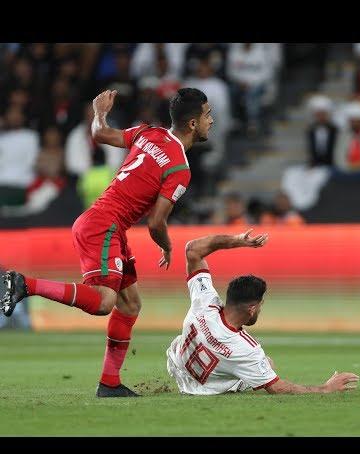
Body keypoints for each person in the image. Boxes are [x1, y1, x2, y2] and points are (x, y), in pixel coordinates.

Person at [2, 87, 213, 397]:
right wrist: (166, 245)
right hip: (104, 226)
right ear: (193, 123)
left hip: (106, 224)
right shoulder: (180, 169)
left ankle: (109, 384)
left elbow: (100, 133)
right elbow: (156, 222)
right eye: (208, 115)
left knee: (130, 304)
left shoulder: (149, 133)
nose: (212, 121)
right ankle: (24, 284)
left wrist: (99, 111)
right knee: (104, 302)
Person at [166, 229, 359, 395]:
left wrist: (237, 241)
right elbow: (278, 388)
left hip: (178, 366)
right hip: (201, 389)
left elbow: (192, 250)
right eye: (260, 305)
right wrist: (325, 388)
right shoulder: (246, 350)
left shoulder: (205, 301)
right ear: (252, 309)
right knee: (267, 364)